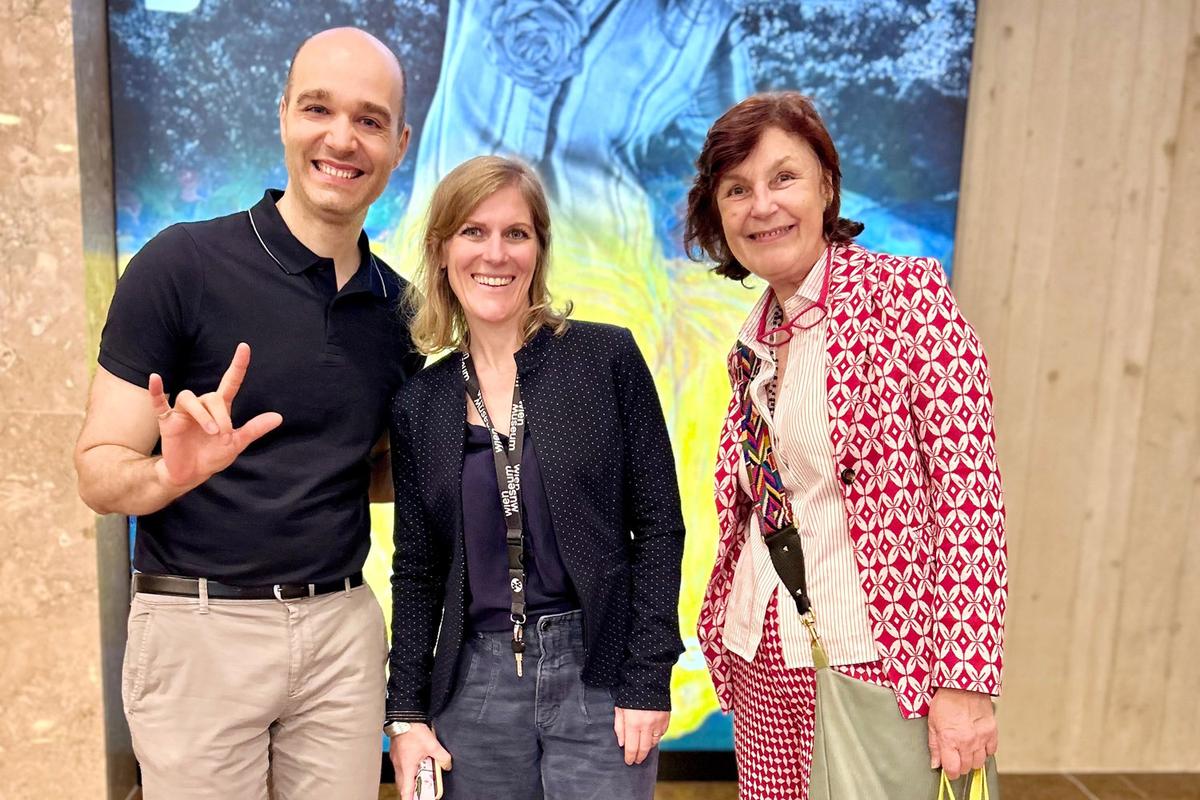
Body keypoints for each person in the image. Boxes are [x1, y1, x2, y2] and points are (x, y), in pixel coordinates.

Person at [73, 28, 421, 800]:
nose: (342, 139)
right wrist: (170, 474)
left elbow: (367, 471)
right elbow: (98, 473)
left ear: (399, 144)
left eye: (369, 120)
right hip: (199, 630)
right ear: (283, 115)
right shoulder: (180, 265)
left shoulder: (402, 312)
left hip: (341, 633)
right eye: (318, 109)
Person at [687, 92, 1007, 799]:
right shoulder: (752, 342)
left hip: (879, 665)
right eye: (736, 189)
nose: (761, 205)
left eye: (783, 177)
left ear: (827, 186)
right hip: (765, 657)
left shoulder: (907, 299)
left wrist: (965, 683)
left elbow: (970, 500)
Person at [383, 155, 686, 800]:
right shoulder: (420, 404)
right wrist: (405, 716)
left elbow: (659, 527)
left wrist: (647, 677)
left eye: (516, 233)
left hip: (598, 676)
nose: (495, 253)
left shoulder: (604, 357)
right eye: (473, 231)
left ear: (538, 250)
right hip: (476, 686)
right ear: (441, 251)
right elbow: (417, 570)